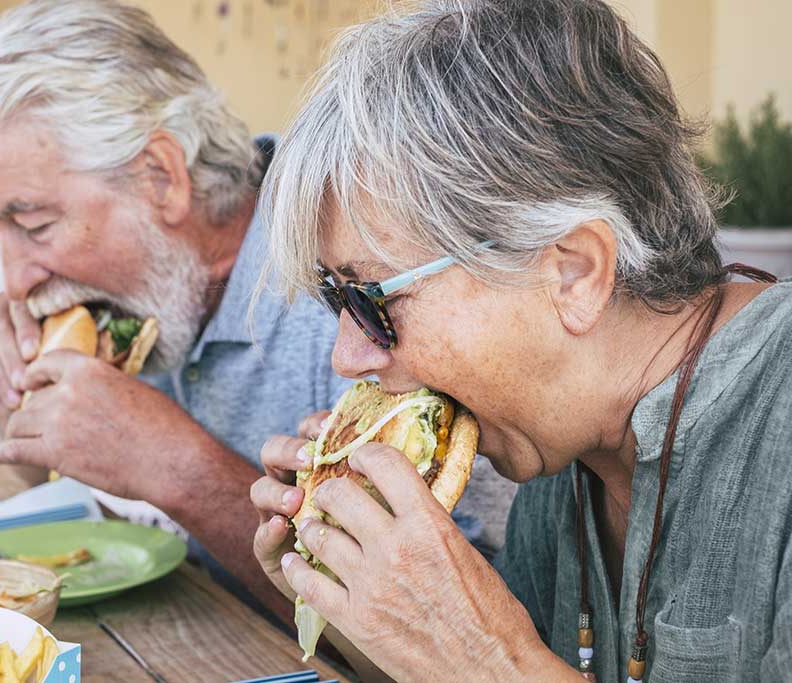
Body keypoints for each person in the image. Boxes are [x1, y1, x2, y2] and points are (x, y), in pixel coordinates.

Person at [250, 1, 792, 681]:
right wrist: (350, 599)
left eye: (372, 298)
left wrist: (487, 656)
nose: (346, 355)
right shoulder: (560, 450)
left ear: (574, 273)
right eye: (335, 298)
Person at [0, 0, 507, 622]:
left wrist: (176, 466)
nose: (14, 280)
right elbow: (39, 488)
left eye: (34, 224)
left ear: (162, 177)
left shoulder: (364, 286)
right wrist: (17, 389)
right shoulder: (147, 290)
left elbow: (458, 614)